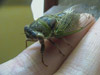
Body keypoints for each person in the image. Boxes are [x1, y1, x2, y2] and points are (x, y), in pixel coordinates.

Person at [0, 13, 99, 75]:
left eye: (38, 36)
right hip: (54, 19)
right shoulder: (35, 31)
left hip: (63, 23)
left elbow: (53, 41)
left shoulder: (51, 33)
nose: (29, 37)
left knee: (58, 38)